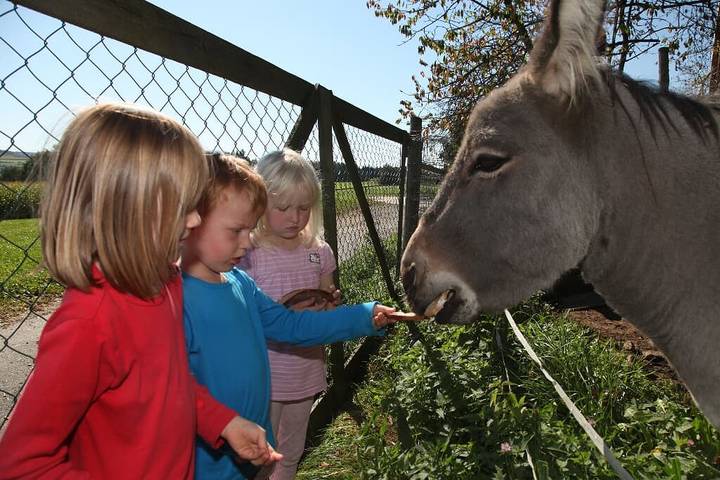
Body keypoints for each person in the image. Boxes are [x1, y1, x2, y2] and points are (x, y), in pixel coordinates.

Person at [0, 104, 279, 479]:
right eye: (184, 208)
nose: (195, 220)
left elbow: (170, 385)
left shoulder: (164, 284)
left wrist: (223, 422)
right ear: (131, 210)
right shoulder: (89, 320)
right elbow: (21, 464)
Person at [181, 153, 401, 480]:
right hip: (207, 458)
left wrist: (363, 316)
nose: (246, 243)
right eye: (237, 231)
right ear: (191, 221)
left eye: (249, 228)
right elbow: (172, 389)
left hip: (250, 444)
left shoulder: (241, 283)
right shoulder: (175, 300)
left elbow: (292, 326)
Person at [238, 149, 340, 480]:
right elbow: (237, 313)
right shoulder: (249, 254)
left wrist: (328, 304)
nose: (294, 217)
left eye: (303, 208)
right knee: (260, 451)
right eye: (282, 208)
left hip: (305, 369)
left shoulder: (318, 251)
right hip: (264, 374)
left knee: (292, 449)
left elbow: (328, 298)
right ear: (260, 204)